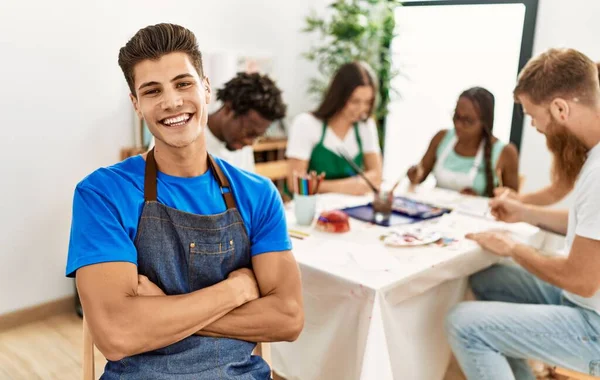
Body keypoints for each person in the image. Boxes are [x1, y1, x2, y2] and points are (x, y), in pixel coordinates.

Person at [66, 23, 303, 379]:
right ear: (136, 104)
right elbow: (117, 335)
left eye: (183, 83)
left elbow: (288, 318)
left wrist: (160, 309)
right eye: (152, 90)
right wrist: (236, 289)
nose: (172, 102)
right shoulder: (102, 194)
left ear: (206, 89)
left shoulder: (258, 194)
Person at [446, 48, 600, 379]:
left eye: (533, 115)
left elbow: (581, 280)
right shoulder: (593, 156)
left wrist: (514, 248)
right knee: (488, 278)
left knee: (464, 323)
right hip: (584, 300)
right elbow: (587, 227)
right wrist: (525, 213)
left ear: (560, 109)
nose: (533, 126)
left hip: (594, 325)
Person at [149, 71, 287, 172]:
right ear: (228, 109)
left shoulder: (240, 144)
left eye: (257, 136)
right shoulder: (179, 135)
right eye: (249, 133)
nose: (250, 142)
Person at [285, 61, 383, 195]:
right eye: (355, 101)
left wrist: (322, 186)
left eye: (367, 102)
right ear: (339, 96)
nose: (362, 109)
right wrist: (348, 186)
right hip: (312, 210)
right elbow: (296, 184)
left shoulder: (365, 126)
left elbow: (377, 176)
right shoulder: (306, 124)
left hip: (351, 209)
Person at [407, 87, 520, 197]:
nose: (458, 125)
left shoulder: (505, 152)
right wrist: (415, 175)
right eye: (456, 116)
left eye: (468, 121)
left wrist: (479, 200)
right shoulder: (441, 137)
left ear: (485, 123)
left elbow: (512, 203)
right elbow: (420, 175)